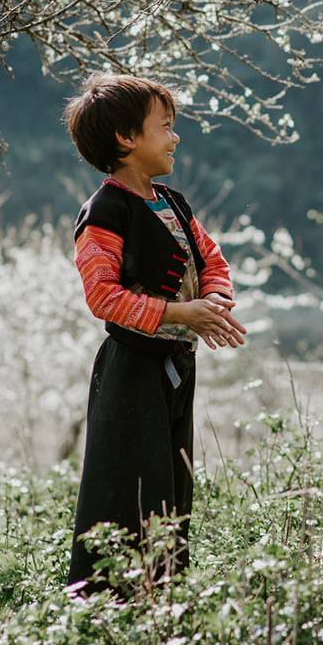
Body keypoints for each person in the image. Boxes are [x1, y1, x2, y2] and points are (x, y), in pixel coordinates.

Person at [64, 73, 247, 592]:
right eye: (165, 127)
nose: (175, 137)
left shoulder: (173, 201)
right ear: (126, 138)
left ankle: (163, 600)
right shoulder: (105, 210)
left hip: (175, 369)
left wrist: (212, 302)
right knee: (127, 489)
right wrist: (181, 314)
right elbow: (104, 297)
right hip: (131, 371)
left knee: (171, 485)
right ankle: (106, 604)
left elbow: (211, 259)